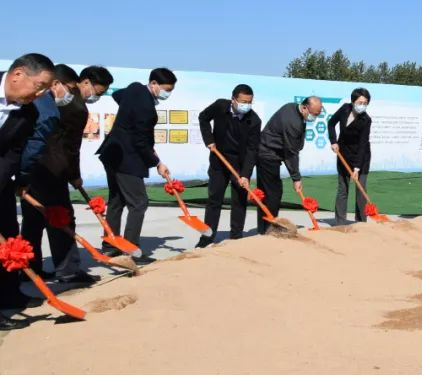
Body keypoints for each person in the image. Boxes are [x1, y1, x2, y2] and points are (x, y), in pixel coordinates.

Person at [21, 65, 112, 284]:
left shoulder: (44, 100)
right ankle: (68, 270)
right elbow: (70, 147)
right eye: (98, 92)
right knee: (62, 218)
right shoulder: (77, 107)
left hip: (32, 167)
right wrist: (74, 175)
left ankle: (30, 268)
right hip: (53, 170)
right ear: (86, 82)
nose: (96, 97)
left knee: (33, 219)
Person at [95, 67, 176, 261]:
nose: (168, 93)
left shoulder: (134, 88)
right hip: (127, 159)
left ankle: (110, 244)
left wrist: (126, 118)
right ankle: (130, 250)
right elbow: (141, 141)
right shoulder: (146, 108)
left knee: (116, 200)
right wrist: (157, 162)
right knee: (138, 202)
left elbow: (119, 96)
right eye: (166, 89)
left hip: (112, 153)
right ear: (154, 84)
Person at [0, 53, 56, 325]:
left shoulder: (28, 112)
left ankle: (10, 295)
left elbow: (13, 152)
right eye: (40, 86)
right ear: (18, 74)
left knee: (10, 238)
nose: (42, 93)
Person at [196, 84, 262, 247]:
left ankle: (236, 237)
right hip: (219, 161)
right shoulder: (220, 106)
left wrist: (245, 174)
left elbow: (252, 150)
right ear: (233, 100)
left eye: (249, 102)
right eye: (243, 101)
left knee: (239, 201)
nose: (246, 105)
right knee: (214, 199)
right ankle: (207, 238)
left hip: (238, 165)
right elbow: (203, 117)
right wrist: (209, 140)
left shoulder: (254, 120)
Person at [256, 97, 322, 234]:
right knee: (273, 194)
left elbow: (290, 149)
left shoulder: (292, 107)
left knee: (268, 194)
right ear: (304, 107)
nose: (315, 117)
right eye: (314, 114)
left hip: (272, 153)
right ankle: (269, 229)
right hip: (267, 154)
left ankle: (265, 228)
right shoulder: (292, 122)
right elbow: (291, 153)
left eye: (318, 114)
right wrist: (296, 178)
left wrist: (295, 176)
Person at [328, 88, 372, 225]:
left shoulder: (366, 120)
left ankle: (361, 222)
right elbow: (331, 124)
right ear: (353, 102)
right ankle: (340, 222)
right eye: (360, 102)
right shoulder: (345, 109)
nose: (362, 105)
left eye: (365, 103)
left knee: (360, 188)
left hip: (361, 158)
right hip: (343, 154)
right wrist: (334, 141)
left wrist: (357, 168)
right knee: (343, 188)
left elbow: (363, 144)